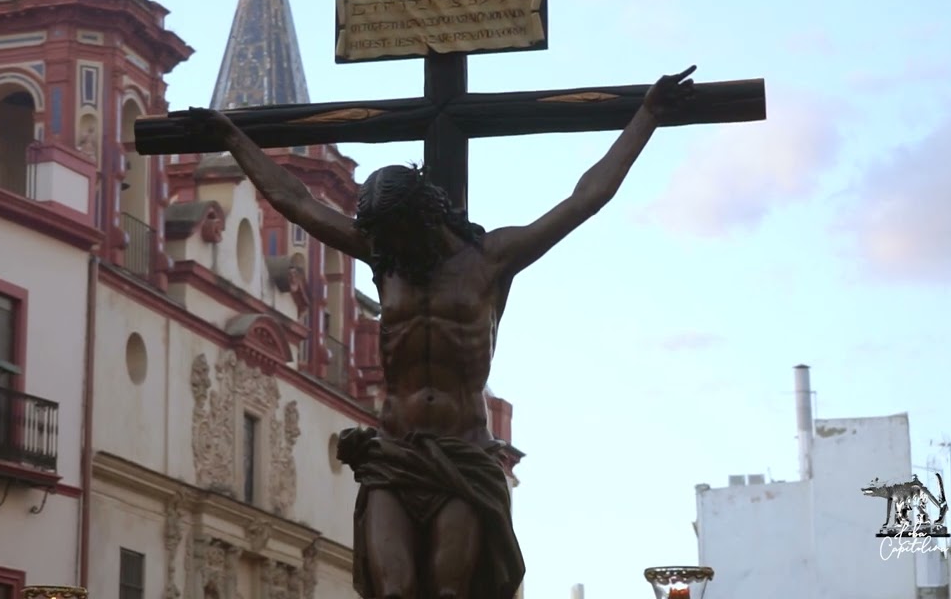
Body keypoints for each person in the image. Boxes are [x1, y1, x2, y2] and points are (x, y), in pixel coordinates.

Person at [184, 65, 699, 599]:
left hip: (463, 453)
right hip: (395, 452)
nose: (389, 249)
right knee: (394, 590)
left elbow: (585, 197)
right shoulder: (387, 256)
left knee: (452, 591)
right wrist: (231, 137)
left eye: (397, 237)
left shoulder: (491, 259)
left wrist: (646, 116)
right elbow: (295, 200)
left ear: (425, 217)